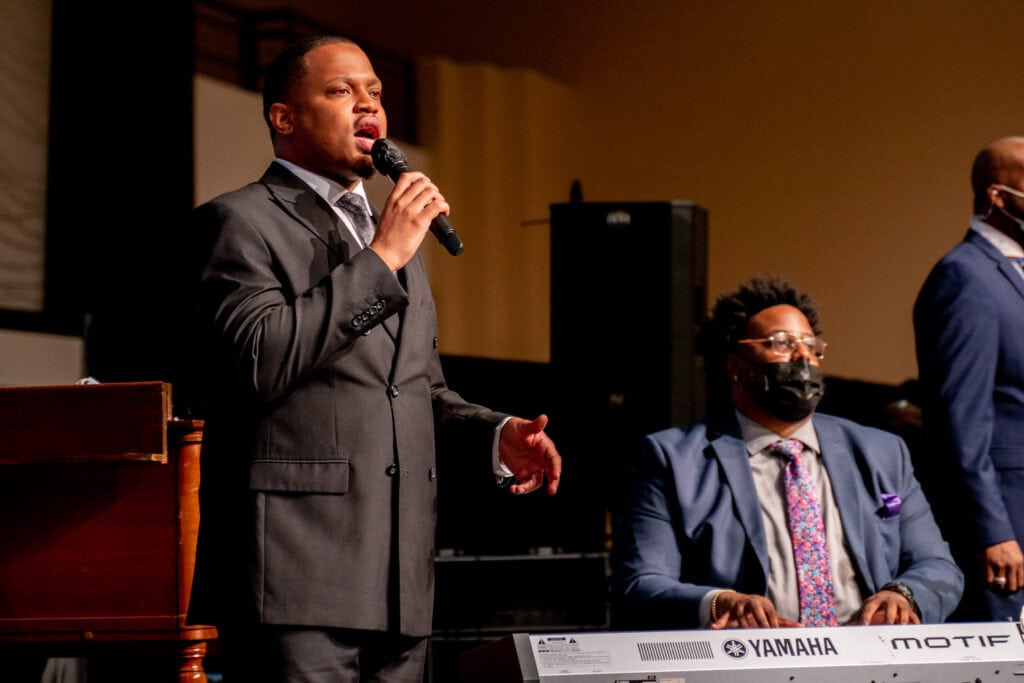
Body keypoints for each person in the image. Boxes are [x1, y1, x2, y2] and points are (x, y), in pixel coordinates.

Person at [185, 35, 562, 681]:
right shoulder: (240, 221)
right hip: (294, 576)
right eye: (341, 91)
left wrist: (496, 434)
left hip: (399, 581)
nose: (368, 106)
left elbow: (416, 389)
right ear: (284, 117)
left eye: (376, 93)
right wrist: (382, 258)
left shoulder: (390, 239)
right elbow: (258, 360)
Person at [610, 276, 962, 629]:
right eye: (781, 343)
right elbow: (640, 582)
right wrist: (718, 602)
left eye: (811, 346)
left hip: (867, 648)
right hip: (748, 653)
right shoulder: (673, 460)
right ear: (735, 366)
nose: (802, 356)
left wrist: (902, 594)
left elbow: (938, 566)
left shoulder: (881, 452)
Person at [913, 136, 1024, 623]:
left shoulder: (1013, 273)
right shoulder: (965, 277)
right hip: (1008, 520)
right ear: (998, 195)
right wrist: (992, 531)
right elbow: (960, 419)